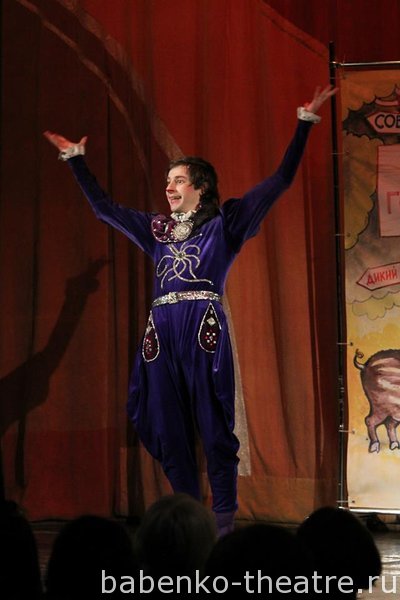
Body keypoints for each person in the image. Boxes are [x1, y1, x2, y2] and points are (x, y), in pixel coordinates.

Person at [44, 85, 337, 536]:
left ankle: (222, 524)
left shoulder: (226, 224)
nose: (169, 187)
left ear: (201, 187)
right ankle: (188, 524)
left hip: (203, 329)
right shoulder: (156, 229)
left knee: (214, 425)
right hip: (160, 334)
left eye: (179, 180)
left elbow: (278, 181)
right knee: (168, 426)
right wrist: (75, 159)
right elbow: (104, 209)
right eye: (168, 181)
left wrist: (304, 123)